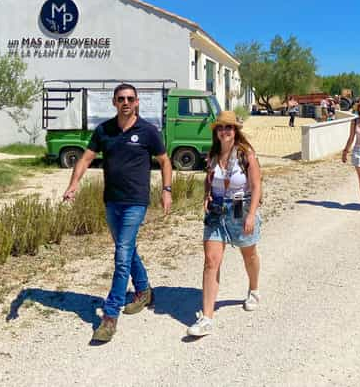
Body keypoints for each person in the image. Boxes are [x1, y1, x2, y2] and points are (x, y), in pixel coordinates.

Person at [63, 83, 173, 343]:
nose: (126, 102)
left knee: (121, 255)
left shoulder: (148, 131)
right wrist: (73, 183)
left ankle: (110, 316)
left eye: (130, 98)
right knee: (128, 249)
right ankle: (144, 291)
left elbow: (165, 161)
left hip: (136, 201)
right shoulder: (104, 130)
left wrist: (166, 189)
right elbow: (86, 158)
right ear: (114, 102)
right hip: (112, 201)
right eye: (121, 98)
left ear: (136, 102)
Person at [187, 111, 262, 337]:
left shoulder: (245, 154)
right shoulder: (212, 155)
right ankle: (207, 318)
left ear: (235, 131)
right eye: (221, 128)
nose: (224, 131)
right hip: (216, 210)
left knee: (248, 253)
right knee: (211, 261)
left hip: (240, 204)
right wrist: (206, 196)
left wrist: (251, 215)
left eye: (229, 127)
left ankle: (254, 290)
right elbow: (209, 180)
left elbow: (256, 186)